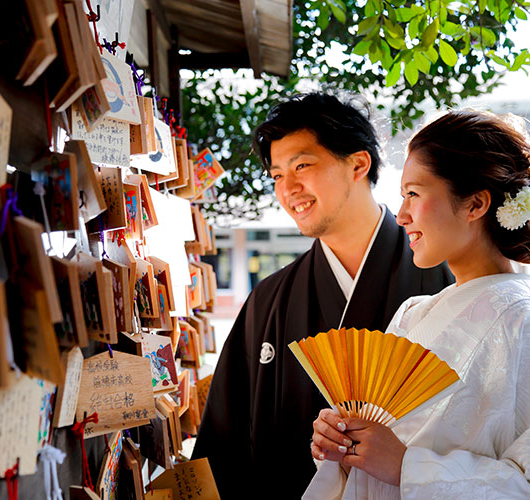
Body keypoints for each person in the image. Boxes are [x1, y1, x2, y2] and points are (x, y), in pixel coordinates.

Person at [306, 110, 530, 499]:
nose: (402, 214)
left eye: (414, 194)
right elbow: (379, 449)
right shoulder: (413, 314)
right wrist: (343, 445)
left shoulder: (528, 319)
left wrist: (408, 467)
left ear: (475, 204)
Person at [191, 93, 454, 499]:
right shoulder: (269, 301)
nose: (288, 188)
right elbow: (224, 445)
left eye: (302, 165)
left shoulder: (444, 276)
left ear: (358, 164)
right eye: (277, 175)